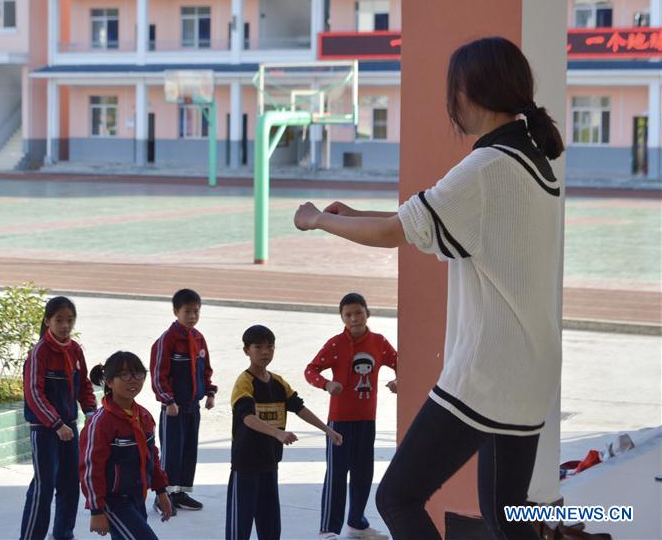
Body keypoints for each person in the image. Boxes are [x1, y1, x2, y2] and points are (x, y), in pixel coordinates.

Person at [293, 36, 564, 540]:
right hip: (532, 367)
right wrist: (355, 215)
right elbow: (413, 222)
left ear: (466, 94)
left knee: (397, 497)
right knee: (509, 513)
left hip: (489, 370)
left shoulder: (485, 170)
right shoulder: (533, 162)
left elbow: (394, 234)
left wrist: (317, 221)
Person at [227, 325, 343, 540]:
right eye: (258, 347)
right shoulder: (244, 383)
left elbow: (299, 408)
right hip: (246, 465)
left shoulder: (278, 383)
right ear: (246, 351)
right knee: (239, 526)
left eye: (270, 347)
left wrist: (327, 430)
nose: (265, 352)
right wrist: (277, 433)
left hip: (270, 464)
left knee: (270, 525)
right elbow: (247, 418)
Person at [305, 293, 397, 540]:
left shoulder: (379, 342)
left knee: (363, 473)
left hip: (367, 420)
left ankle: (357, 521)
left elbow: (402, 363)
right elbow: (310, 370)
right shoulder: (336, 344)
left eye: (358, 313)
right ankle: (328, 529)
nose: (354, 319)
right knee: (336, 474)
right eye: (348, 315)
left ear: (368, 313)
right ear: (342, 318)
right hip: (339, 422)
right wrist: (325, 384)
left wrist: (400, 380)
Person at [20, 297, 97, 540]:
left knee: (70, 484)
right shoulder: (39, 352)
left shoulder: (74, 350)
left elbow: (84, 384)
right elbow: (34, 392)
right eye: (59, 320)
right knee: (44, 487)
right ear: (47, 321)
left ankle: (64, 533)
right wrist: (56, 424)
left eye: (70, 320)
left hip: (69, 429)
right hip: (44, 430)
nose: (65, 325)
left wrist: (90, 412)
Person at [80, 351, 173, 540]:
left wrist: (161, 491)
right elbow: (90, 468)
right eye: (124, 375)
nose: (133, 380)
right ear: (108, 381)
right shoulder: (101, 422)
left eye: (138, 374)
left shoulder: (144, 416)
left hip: (137, 497)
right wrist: (96, 510)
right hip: (112, 502)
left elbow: (152, 456)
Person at [149, 288, 216, 514]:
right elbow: (159, 374)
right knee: (171, 452)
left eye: (196, 311)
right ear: (176, 311)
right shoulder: (166, 340)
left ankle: (179, 493)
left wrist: (209, 393)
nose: (192, 316)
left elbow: (205, 369)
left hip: (192, 408)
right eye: (187, 311)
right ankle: (163, 496)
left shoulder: (198, 338)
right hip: (173, 410)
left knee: (189, 451)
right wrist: (168, 401)